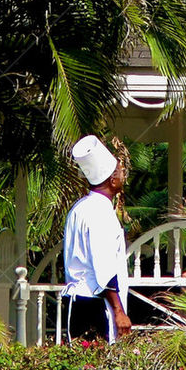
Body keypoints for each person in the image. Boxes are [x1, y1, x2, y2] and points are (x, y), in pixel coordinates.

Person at [62, 134, 132, 343]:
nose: (123, 175)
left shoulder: (80, 207)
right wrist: (119, 311)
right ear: (112, 179)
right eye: (120, 171)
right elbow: (105, 269)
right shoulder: (100, 212)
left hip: (78, 300)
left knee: (80, 368)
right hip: (94, 303)